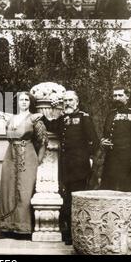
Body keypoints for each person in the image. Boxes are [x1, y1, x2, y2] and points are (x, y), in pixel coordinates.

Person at [44, 91, 99, 245]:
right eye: (65, 100)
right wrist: (42, 112)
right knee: (67, 198)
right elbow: (50, 125)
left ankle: (78, 234)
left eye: (70, 100)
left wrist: (87, 158)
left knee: (77, 200)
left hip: (79, 167)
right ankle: (69, 234)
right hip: (65, 167)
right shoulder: (63, 118)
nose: (67, 103)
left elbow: (94, 141)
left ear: (77, 101)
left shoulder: (84, 118)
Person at [0, 92, 48, 239]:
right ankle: (6, 228)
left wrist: (38, 160)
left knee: (24, 191)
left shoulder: (35, 118)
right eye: (21, 100)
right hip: (10, 156)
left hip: (27, 156)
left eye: (27, 100)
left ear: (30, 102)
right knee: (7, 189)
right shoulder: (10, 119)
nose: (24, 102)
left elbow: (43, 141)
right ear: (17, 102)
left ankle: (23, 229)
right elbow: (8, 138)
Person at [100, 86, 131, 191]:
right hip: (110, 159)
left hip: (127, 161)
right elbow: (105, 134)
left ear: (127, 97)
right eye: (115, 96)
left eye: (120, 95)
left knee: (124, 190)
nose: (117, 98)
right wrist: (103, 141)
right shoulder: (111, 114)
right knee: (107, 189)